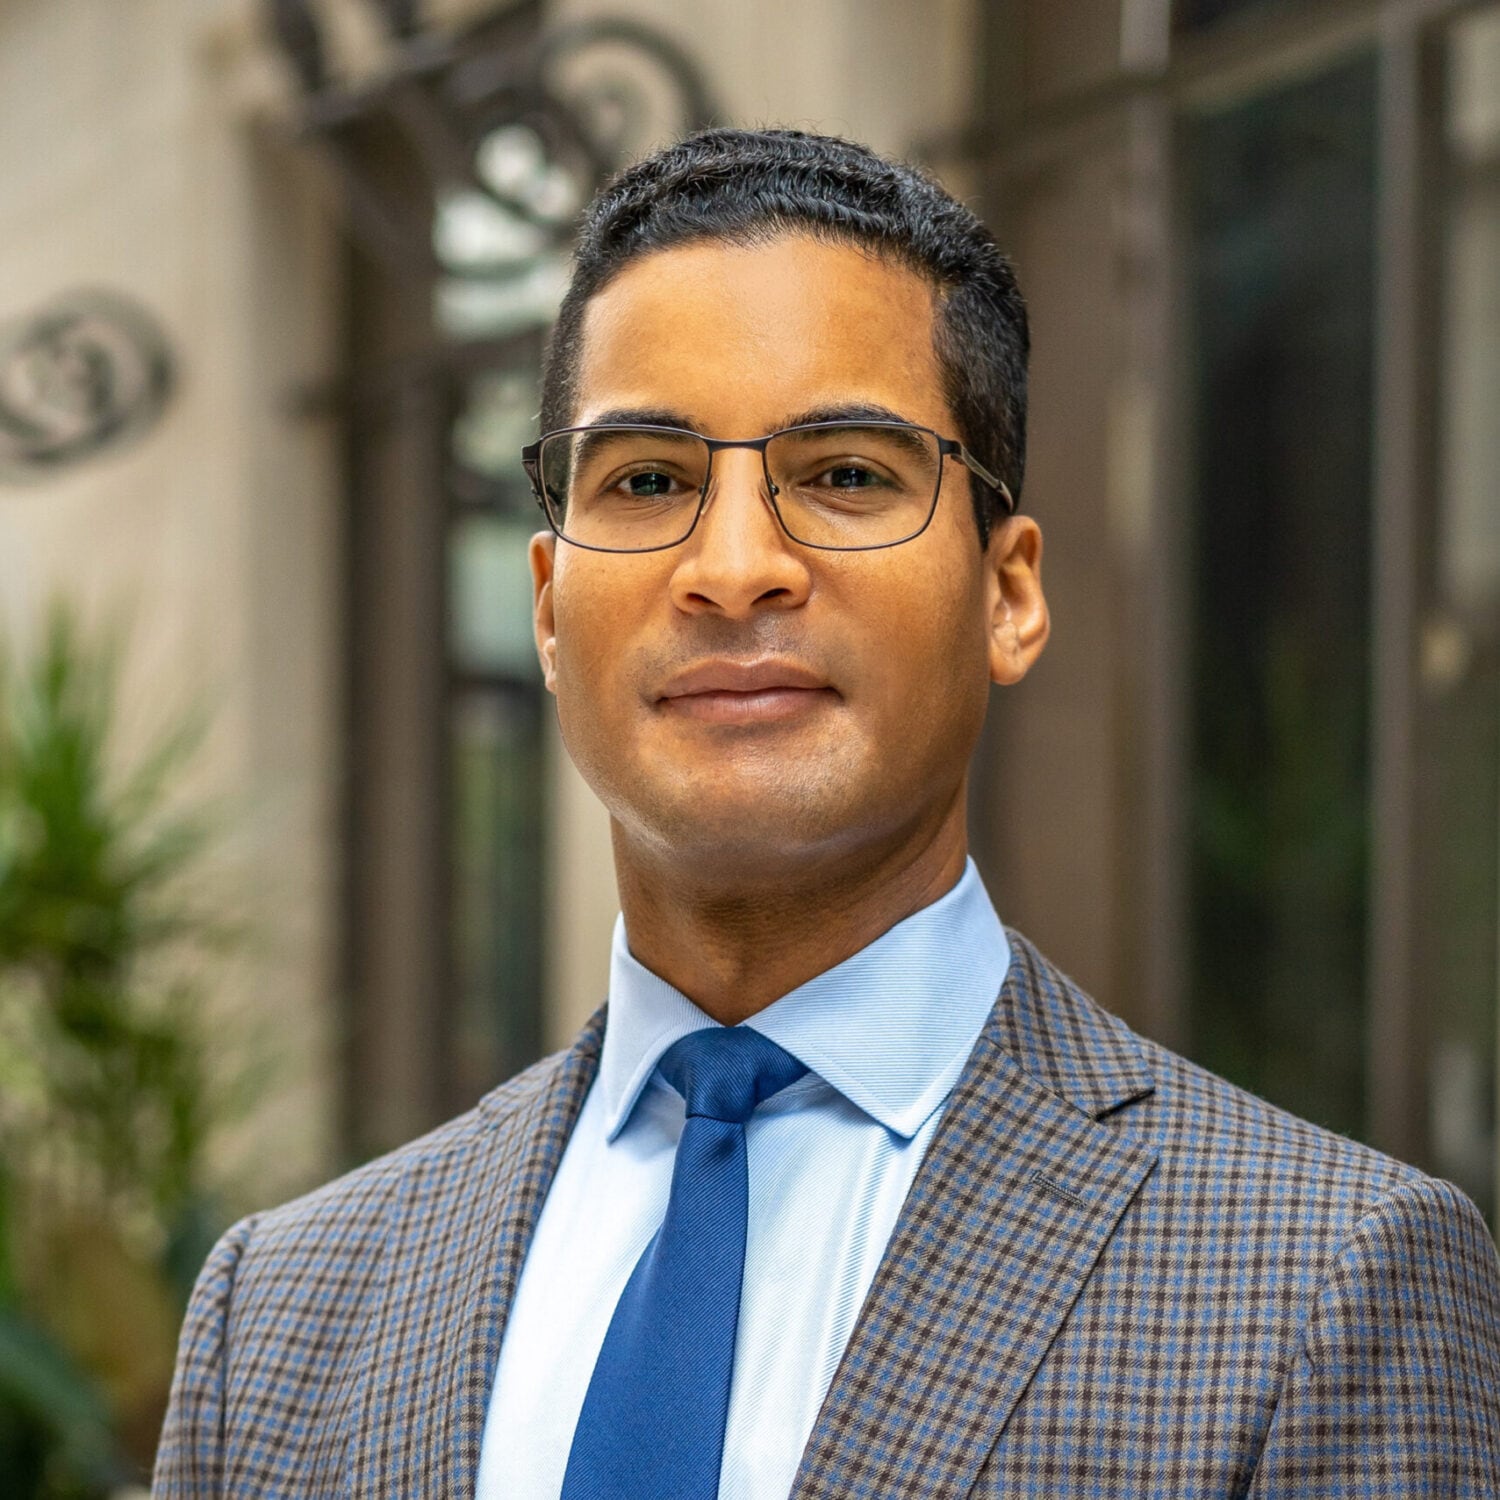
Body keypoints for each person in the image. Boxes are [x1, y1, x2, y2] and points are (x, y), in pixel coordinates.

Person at [153, 128, 1500, 1499]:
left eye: (847, 474)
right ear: (551, 607)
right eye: (650, 482)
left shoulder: (1328, 1282)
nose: (734, 570)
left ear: (1008, 593)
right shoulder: (280, 1317)